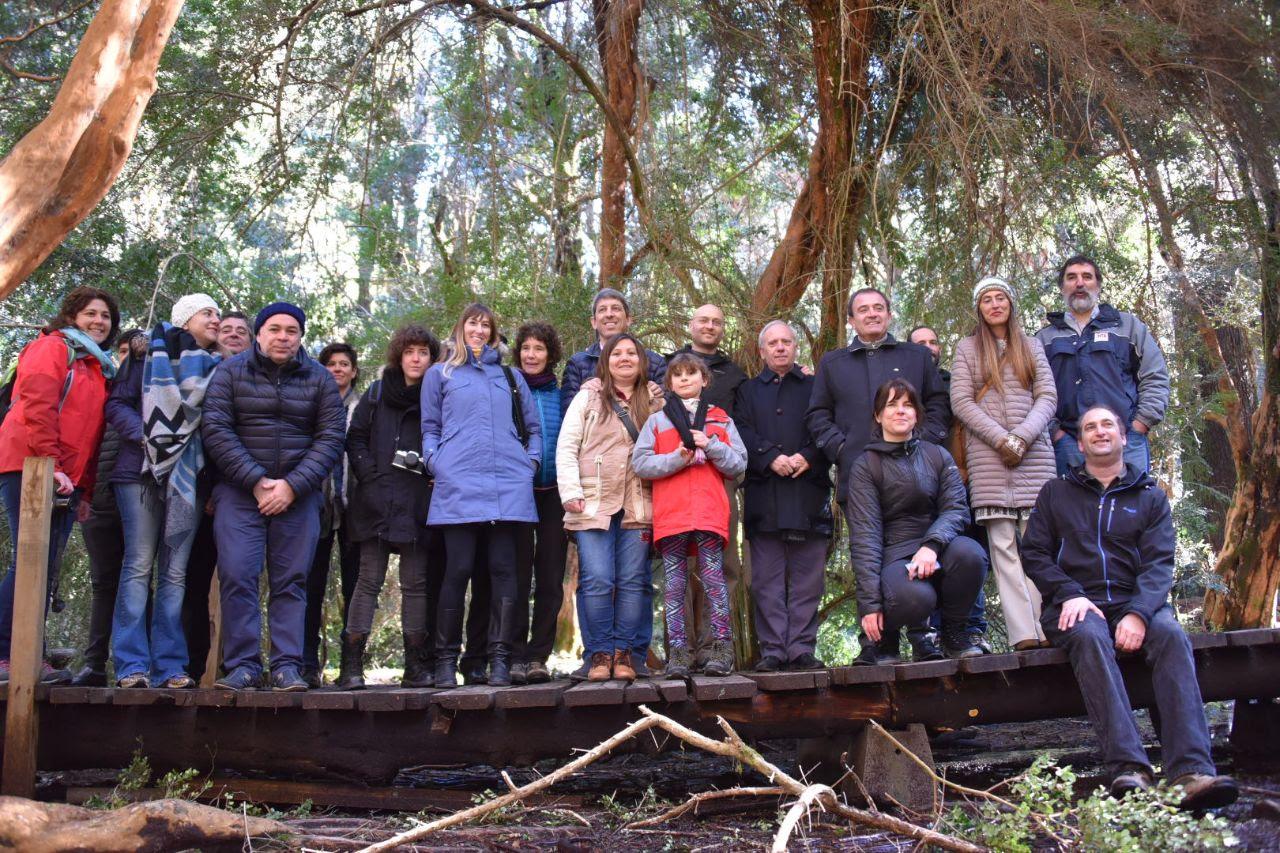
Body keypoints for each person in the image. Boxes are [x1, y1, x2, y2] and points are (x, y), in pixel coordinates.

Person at [1021, 405, 1238, 809]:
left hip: (1136, 601)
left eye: (1107, 425)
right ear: (1080, 442)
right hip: (1074, 605)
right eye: (1089, 427)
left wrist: (1139, 613)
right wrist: (1069, 592)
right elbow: (1033, 553)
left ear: (1124, 437)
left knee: (1172, 635)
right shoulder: (1056, 493)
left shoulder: (1150, 496)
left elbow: (1159, 564)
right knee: (1088, 636)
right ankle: (1129, 768)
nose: (1099, 432)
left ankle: (1191, 771)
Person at [201, 302, 346, 691]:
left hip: (298, 496)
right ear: (259, 333)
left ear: (300, 336)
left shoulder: (319, 378)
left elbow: (331, 437)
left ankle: (287, 667)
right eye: (275, 329)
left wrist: (292, 485)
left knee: (291, 581)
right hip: (239, 493)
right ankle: (244, 665)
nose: (283, 337)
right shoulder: (230, 372)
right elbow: (215, 428)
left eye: (292, 331)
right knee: (237, 575)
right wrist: (256, 481)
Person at [806, 287, 950, 661]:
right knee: (869, 554)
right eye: (863, 310)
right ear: (851, 320)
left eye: (878, 308)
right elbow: (817, 415)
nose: (872, 314)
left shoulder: (915, 356)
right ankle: (878, 643)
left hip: (917, 477)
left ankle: (923, 637)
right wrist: (842, 450)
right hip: (861, 476)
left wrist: (927, 442)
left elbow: (937, 403)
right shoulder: (833, 364)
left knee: (921, 549)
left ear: (889, 315)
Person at [0, 286, 120, 683]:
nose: (99, 321)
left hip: (65, 477)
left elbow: (90, 434)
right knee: (29, 561)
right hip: (29, 464)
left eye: (105, 316)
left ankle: (27, 654)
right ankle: (5, 655)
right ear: (71, 316)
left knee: (45, 565)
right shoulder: (52, 348)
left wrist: (83, 488)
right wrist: (49, 463)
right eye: (91, 314)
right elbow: (37, 404)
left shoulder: (97, 367)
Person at [421, 303, 541, 689]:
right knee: (457, 570)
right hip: (457, 482)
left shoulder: (511, 376)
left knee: (505, 571)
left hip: (508, 481)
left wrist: (530, 463)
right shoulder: (440, 374)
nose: (478, 329)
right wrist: (436, 462)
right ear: (459, 328)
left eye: (485, 324)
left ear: (492, 333)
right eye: (472, 322)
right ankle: (444, 662)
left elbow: (533, 427)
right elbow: (430, 427)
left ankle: (500, 660)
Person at [107, 294, 223, 689]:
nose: (215, 319)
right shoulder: (147, 355)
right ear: (186, 319)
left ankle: (169, 667)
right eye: (208, 313)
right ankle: (130, 666)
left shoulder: (219, 368)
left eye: (218, 314)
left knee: (175, 574)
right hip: (139, 474)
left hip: (188, 479)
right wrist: (149, 439)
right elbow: (117, 405)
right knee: (138, 566)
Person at [845, 379, 987, 661]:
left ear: (917, 414)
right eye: (891, 405)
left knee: (972, 555)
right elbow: (866, 538)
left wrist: (931, 545)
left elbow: (956, 509)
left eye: (907, 405)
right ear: (877, 415)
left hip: (937, 546)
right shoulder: (866, 466)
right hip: (893, 556)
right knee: (916, 598)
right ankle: (886, 639)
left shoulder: (937, 455)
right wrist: (870, 606)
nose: (900, 411)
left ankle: (953, 635)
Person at [950, 278, 1057, 650]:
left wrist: (1023, 436)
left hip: (1035, 457)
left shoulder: (1032, 346)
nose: (994, 305)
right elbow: (961, 402)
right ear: (978, 308)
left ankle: (1049, 628)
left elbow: (1047, 396)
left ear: (1010, 303)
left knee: (1039, 546)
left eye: (1000, 298)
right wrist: (1001, 439)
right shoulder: (966, 349)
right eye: (987, 300)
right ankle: (1022, 634)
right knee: (1003, 549)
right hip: (989, 459)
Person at [337, 326, 441, 689]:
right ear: (399, 354)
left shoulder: (437, 394)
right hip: (376, 499)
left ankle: (416, 665)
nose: (416, 358)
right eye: (410, 351)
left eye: (423, 352)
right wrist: (370, 475)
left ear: (432, 357)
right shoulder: (378, 391)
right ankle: (351, 667)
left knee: (415, 584)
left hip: (417, 501)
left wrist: (433, 475)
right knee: (367, 581)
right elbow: (356, 437)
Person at [632, 353, 747, 677]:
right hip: (673, 514)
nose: (684, 379)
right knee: (675, 585)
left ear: (704, 379)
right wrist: (675, 458)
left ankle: (721, 650)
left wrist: (710, 445)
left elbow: (739, 464)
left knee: (714, 581)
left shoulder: (720, 419)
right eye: (678, 375)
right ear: (669, 383)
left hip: (709, 511)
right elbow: (640, 464)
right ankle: (679, 653)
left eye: (691, 373)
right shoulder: (657, 421)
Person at [557, 333, 663, 682]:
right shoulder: (588, 396)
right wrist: (570, 491)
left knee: (634, 580)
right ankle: (599, 655)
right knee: (597, 579)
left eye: (632, 352)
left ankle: (625, 656)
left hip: (639, 501)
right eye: (617, 353)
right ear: (606, 360)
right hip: (591, 500)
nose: (624, 358)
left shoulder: (653, 399)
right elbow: (567, 445)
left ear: (642, 360)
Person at [735, 321, 832, 672]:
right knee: (766, 579)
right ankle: (774, 650)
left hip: (809, 493)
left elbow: (828, 425)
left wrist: (809, 454)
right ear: (761, 351)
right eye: (772, 343)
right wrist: (768, 456)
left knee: (808, 579)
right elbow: (740, 428)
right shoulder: (747, 391)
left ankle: (802, 649)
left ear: (795, 348)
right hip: (765, 494)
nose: (779, 348)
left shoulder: (814, 385)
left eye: (786, 342)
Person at [1035, 255, 1169, 476]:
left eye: (1087, 277)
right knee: (1074, 510)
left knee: (1132, 507)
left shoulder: (1127, 326)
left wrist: (1140, 424)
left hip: (1126, 441)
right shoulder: (1045, 339)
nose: (1079, 283)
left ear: (1097, 285)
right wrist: (1055, 432)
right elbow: (1033, 389)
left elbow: (1155, 375)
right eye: (1071, 278)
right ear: (1062, 288)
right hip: (1068, 444)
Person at [670, 303, 750, 669]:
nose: (710, 326)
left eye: (717, 321)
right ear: (691, 325)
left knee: (723, 567)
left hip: (719, 483)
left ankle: (715, 646)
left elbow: (742, 428)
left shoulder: (735, 374)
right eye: (703, 320)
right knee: (681, 569)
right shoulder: (669, 366)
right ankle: (681, 648)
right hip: (675, 486)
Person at [72, 329, 147, 686]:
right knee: (104, 583)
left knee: (141, 578)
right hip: (100, 501)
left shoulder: (147, 396)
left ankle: (135, 666)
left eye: (131, 353)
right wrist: (83, 496)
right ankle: (95, 663)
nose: (125, 359)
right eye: (120, 352)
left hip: (140, 500)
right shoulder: (100, 391)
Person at [183, 310, 253, 681]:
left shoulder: (257, 376)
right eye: (226, 330)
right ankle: (191, 668)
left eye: (242, 331)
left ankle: (238, 666)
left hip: (241, 493)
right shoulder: (197, 370)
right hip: (195, 490)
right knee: (191, 581)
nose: (233, 335)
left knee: (239, 580)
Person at [302, 342, 362, 687]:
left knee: (356, 588)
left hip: (356, 507)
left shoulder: (366, 405)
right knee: (311, 584)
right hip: (316, 503)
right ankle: (307, 664)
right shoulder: (311, 404)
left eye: (344, 364)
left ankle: (352, 666)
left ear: (354, 371)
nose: (338, 369)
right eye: (331, 364)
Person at [512, 322, 569, 685]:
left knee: (550, 578)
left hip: (554, 495)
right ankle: (514, 656)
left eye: (539, 349)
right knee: (515, 577)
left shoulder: (562, 395)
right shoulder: (506, 389)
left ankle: (538, 657)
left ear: (550, 355)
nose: (531, 355)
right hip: (516, 494)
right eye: (526, 348)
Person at [561, 288, 666, 412]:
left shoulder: (654, 362)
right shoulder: (577, 364)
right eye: (602, 310)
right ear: (594, 322)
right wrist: (582, 395)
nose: (609, 314)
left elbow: (672, 409)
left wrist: (657, 394)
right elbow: (568, 414)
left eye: (616, 308)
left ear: (628, 319)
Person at [908, 325, 949, 394]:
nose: (928, 348)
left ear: (940, 349)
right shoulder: (900, 384)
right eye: (921, 344)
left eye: (933, 343)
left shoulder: (953, 383)